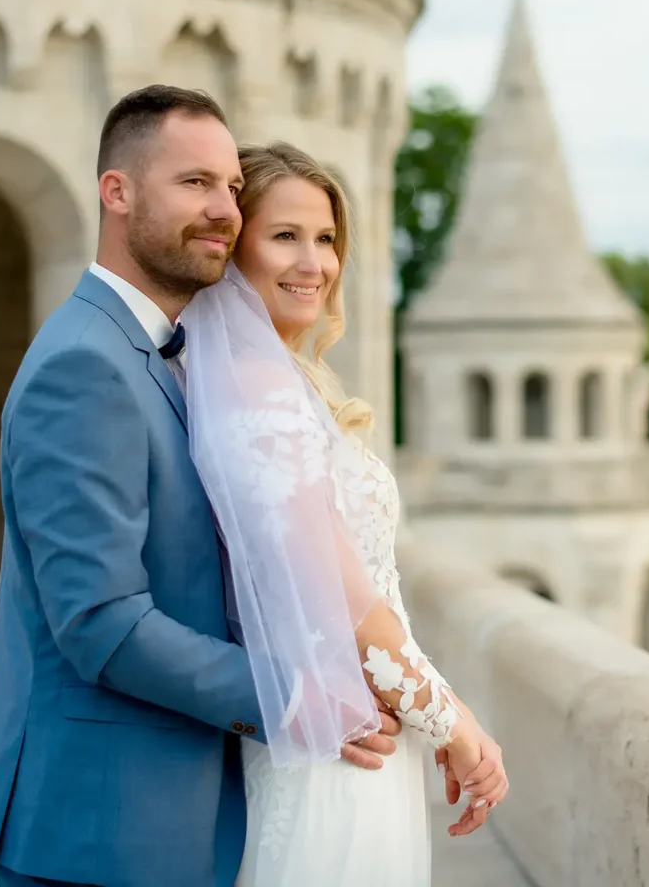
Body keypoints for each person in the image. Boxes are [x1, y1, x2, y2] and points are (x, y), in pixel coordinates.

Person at [0, 86, 401, 887]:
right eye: (194, 183)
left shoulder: (167, 354)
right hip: (95, 826)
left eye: (232, 187)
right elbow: (103, 623)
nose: (224, 209)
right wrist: (300, 704)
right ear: (117, 192)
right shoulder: (84, 364)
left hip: (170, 810)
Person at [180, 141, 509, 887]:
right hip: (338, 745)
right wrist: (453, 725)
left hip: (352, 723)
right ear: (234, 252)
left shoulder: (267, 379)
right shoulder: (258, 391)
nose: (313, 263)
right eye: (285, 236)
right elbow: (342, 595)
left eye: (326, 239)